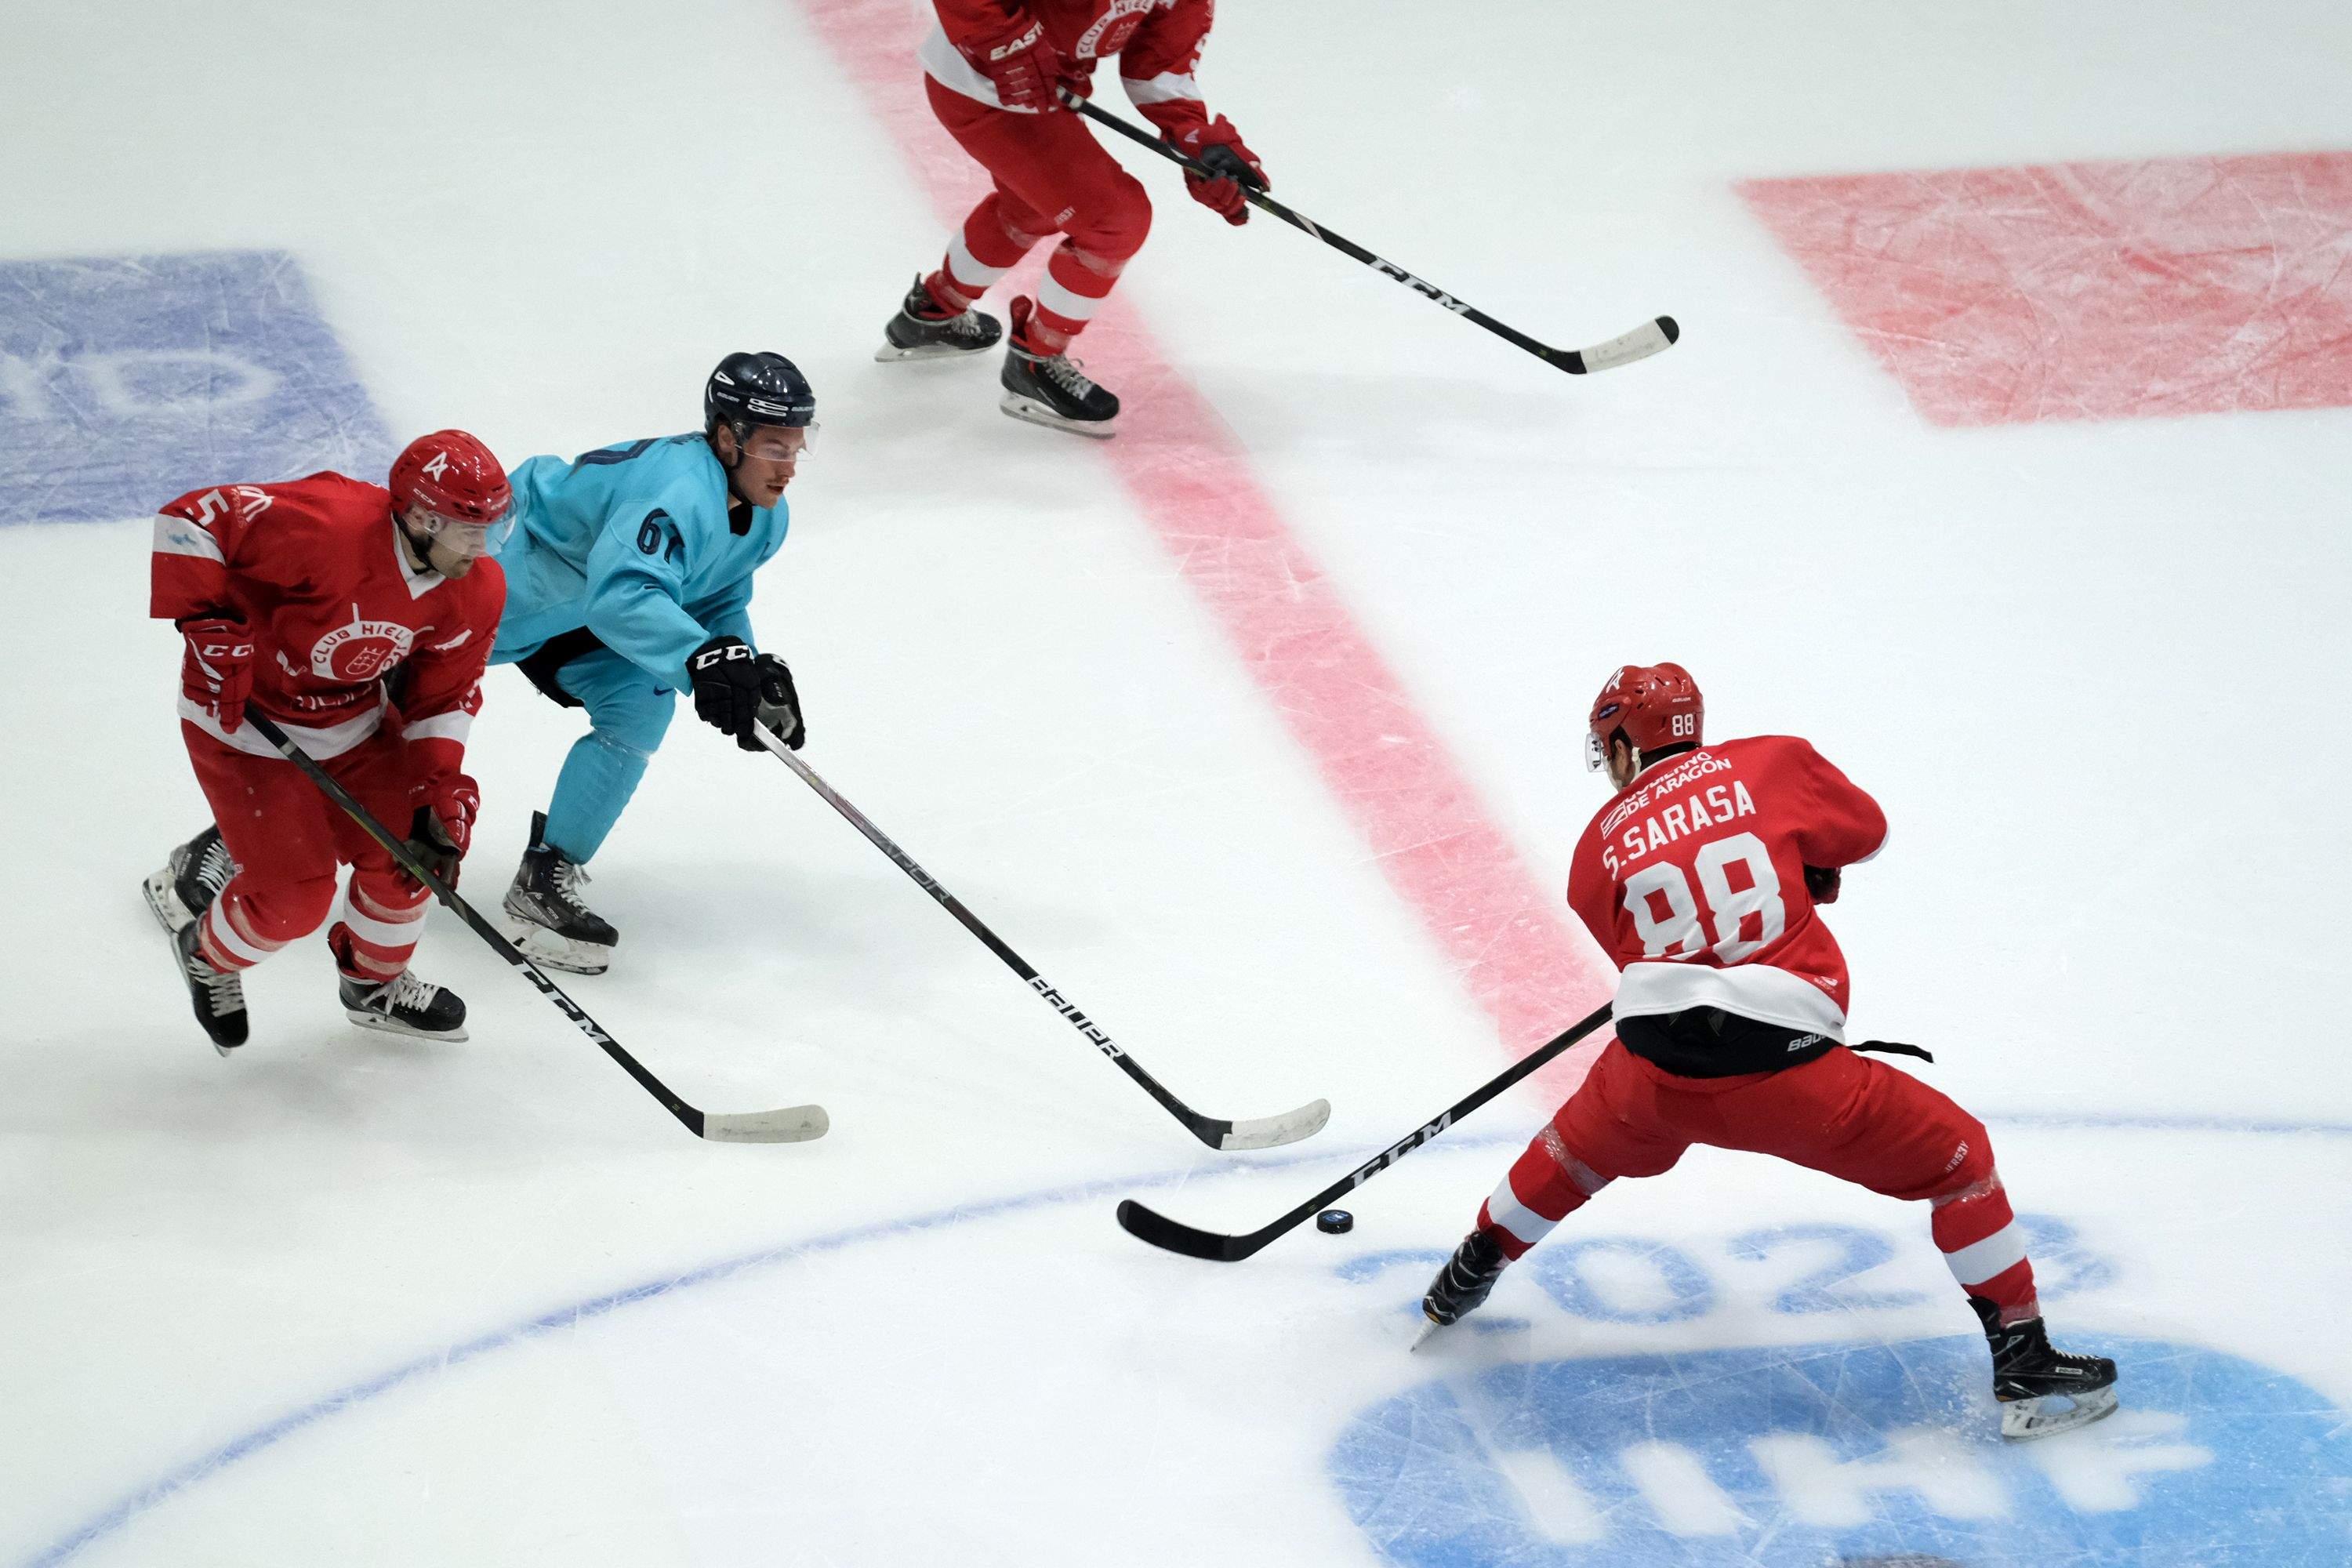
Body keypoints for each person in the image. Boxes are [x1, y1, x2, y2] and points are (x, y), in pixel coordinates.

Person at [1420, 664, 2120, 1442]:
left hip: (1651, 1072)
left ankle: (1467, 1271)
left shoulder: (1596, 847)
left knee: (1573, 1152)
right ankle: (2024, 1361)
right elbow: (1866, 828)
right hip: (1789, 1072)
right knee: (1960, 1161)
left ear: (1623, 739)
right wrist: (1808, 862)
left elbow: (1633, 947)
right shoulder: (1773, 764)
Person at [143, 432, 511, 1052]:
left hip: (358, 728)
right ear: (420, 518)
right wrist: (203, 619)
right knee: (293, 901)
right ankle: (207, 952)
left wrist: (437, 786)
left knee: (412, 857)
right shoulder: (329, 523)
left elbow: (442, 700)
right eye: (466, 528)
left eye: (491, 528)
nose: (483, 546)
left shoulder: (477, 589)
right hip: (245, 729)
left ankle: (374, 987)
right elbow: (191, 520)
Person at [486, 353, 811, 975]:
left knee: (639, 709)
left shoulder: (766, 514)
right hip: (512, 566)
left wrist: (743, 667)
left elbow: (715, 594)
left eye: (798, 448)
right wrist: (699, 659)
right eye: (775, 448)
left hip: (581, 609)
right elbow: (622, 594)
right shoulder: (680, 490)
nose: (789, 468)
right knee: (378, 680)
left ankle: (543, 879)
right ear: (727, 438)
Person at [875, 0, 1269, 437]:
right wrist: (1003, 41)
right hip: (981, 88)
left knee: (1030, 209)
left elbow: (1157, 70)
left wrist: (1197, 142)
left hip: (1042, 91)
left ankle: (933, 312)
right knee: (1116, 218)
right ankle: (1035, 363)